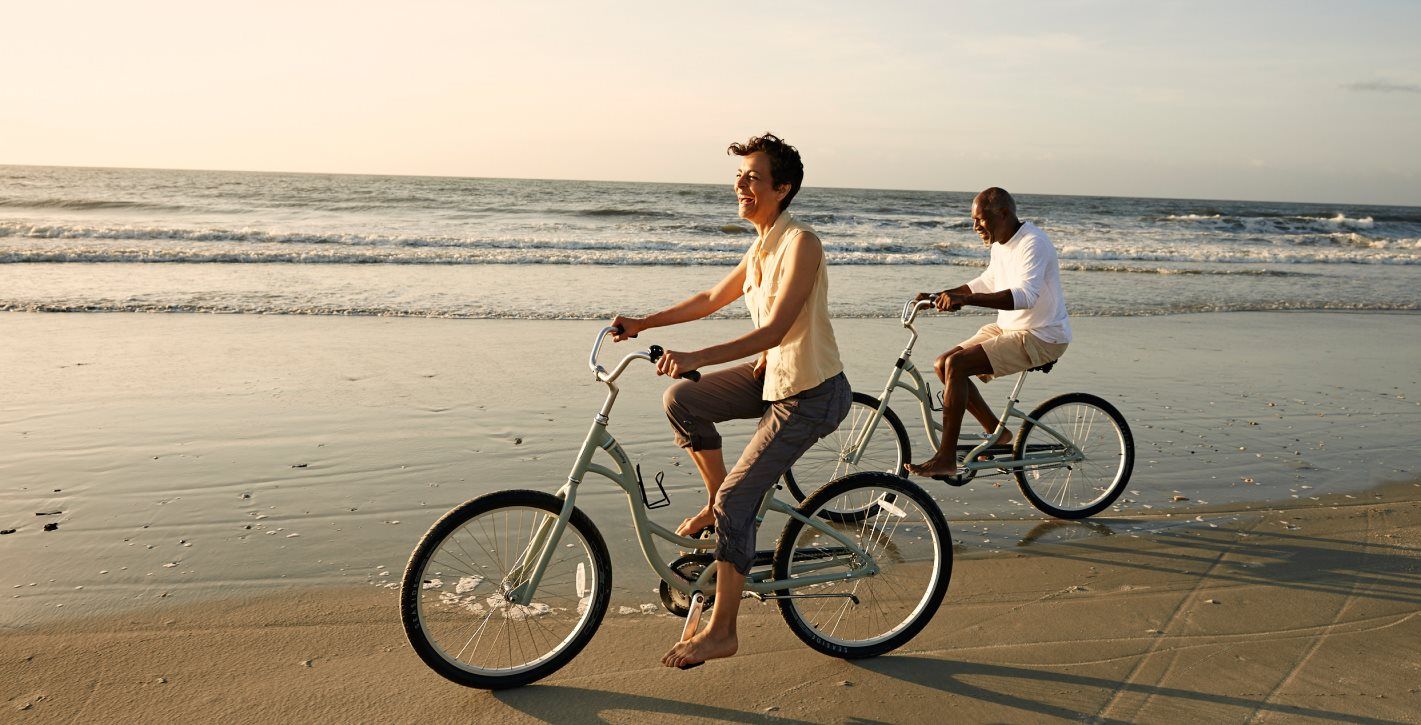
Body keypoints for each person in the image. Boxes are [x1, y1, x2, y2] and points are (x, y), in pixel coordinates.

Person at [610, 133, 851, 669]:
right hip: (773, 379)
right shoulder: (762, 244)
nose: (740, 186)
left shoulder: (801, 243)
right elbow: (710, 298)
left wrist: (699, 357)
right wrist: (643, 321)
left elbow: (777, 329)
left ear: (782, 187)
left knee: (738, 502)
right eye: (738, 177)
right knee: (682, 400)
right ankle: (722, 508)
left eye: (752, 178)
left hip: (811, 394)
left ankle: (723, 631)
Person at [903, 187, 1071, 479]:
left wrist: (965, 300)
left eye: (980, 219)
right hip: (1010, 327)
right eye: (973, 220)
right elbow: (988, 281)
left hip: (1042, 334)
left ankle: (945, 457)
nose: (975, 227)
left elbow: (1025, 296)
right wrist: (941, 294)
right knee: (943, 363)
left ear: (1003, 214)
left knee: (958, 365)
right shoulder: (1001, 243)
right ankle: (998, 433)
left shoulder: (1033, 243)